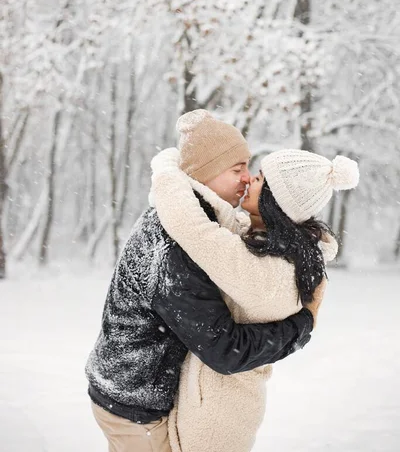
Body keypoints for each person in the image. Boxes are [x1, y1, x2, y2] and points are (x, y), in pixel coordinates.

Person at [85, 110, 320, 452]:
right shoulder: (176, 246)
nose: (247, 178)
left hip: (132, 393)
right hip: (134, 407)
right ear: (207, 174)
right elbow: (225, 349)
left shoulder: (196, 220)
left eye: (248, 167)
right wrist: (301, 325)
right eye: (236, 169)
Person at [150, 119, 359, 452]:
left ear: (276, 202)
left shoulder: (266, 272)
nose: (249, 179)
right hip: (216, 400)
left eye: (259, 178)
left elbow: (193, 230)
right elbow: (226, 224)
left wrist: (167, 169)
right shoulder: (277, 251)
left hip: (216, 417)